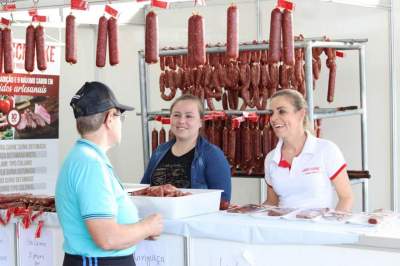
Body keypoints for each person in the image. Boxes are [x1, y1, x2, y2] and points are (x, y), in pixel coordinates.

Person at [55, 81, 163, 266]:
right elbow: (107, 238)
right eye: (120, 116)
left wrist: (137, 231)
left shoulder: (85, 158)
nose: (121, 123)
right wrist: (147, 227)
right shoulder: (90, 165)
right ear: (110, 118)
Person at [263, 89, 353, 212]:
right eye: (271, 113)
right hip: (283, 229)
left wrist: (333, 226)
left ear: (300, 114)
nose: (273, 118)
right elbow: (272, 202)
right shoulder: (271, 158)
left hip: (319, 229)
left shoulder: (326, 150)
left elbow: (346, 198)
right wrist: (245, 213)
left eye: (281, 112)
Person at [141, 94, 232, 208]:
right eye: (176, 115)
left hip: (193, 224)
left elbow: (223, 201)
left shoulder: (212, 155)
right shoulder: (159, 152)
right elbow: (143, 190)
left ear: (200, 122)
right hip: (156, 222)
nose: (181, 121)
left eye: (189, 116)